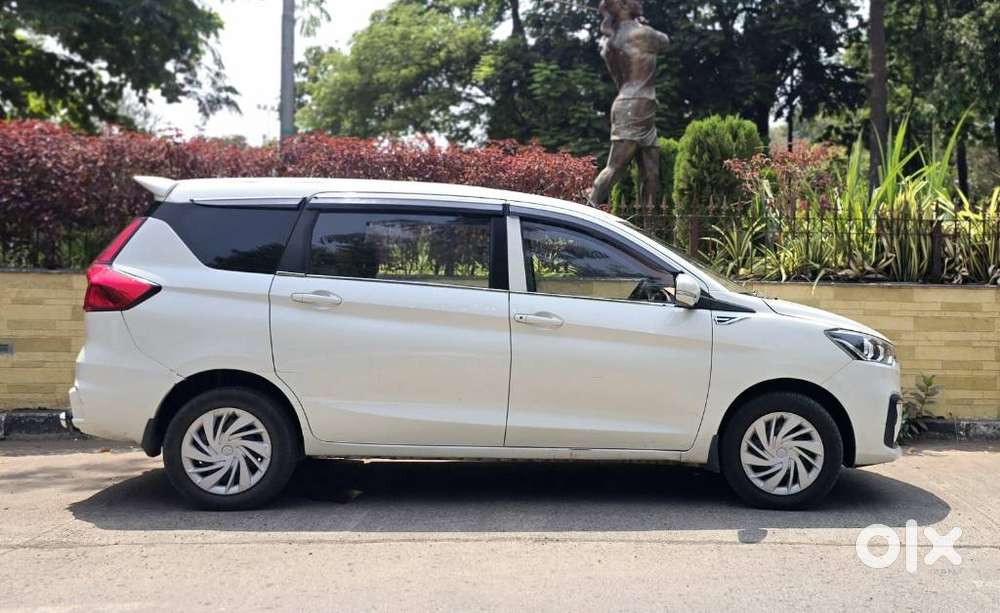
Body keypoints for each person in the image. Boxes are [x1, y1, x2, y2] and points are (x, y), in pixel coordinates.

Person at [589, 0, 670, 213]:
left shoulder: (610, 44)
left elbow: (618, 80)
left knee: (651, 172)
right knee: (615, 167)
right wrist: (642, 24)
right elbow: (665, 42)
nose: (640, 3)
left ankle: (650, 230)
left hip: (633, 103)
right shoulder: (641, 34)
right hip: (636, 106)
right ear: (624, 5)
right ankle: (587, 209)